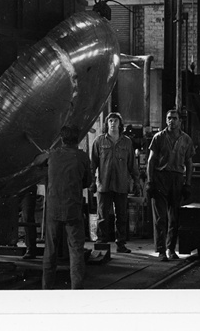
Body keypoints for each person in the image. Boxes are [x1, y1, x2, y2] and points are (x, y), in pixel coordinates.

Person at [36, 125, 91, 289]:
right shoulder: (82, 157)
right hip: (73, 209)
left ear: (61, 139)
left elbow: (35, 162)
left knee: (50, 250)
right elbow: (87, 182)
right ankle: (76, 290)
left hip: (53, 209)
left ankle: (47, 288)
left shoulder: (52, 155)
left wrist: (46, 154)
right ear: (78, 139)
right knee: (76, 251)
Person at [145, 109, 195, 261]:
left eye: (174, 118)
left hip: (177, 179)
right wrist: (149, 181)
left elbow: (189, 162)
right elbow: (151, 161)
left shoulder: (186, 140)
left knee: (174, 217)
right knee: (161, 218)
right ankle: (161, 251)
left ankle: (171, 249)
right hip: (161, 178)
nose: (171, 121)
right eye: (168, 118)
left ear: (180, 121)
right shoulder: (159, 137)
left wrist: (188, 183)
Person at [90, 112, 140, 253]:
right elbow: (93, 163)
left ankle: (121, 244)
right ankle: (101, 243)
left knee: (122, 216)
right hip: (104, 184)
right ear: (107, 124)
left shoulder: (127, 142)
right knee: (102, 216)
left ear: (120, 124)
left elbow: (132, 164)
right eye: (110, 121)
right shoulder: (99, 141)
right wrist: (92, 181)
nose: (113, 123)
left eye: (115, 121)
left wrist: (137, 182)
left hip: (121, 184)